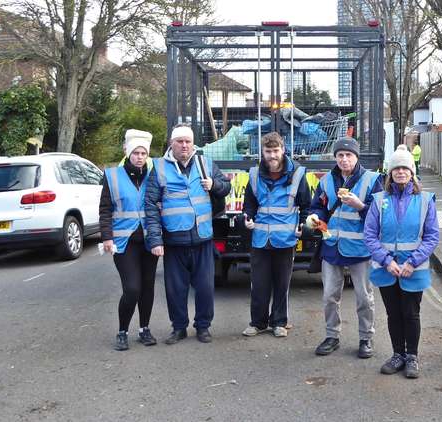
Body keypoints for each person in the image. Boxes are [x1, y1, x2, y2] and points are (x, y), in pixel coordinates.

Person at [144, 125, 230, 344]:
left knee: (205, 288)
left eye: (188, 141)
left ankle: (203, 327)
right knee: (175, 290)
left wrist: (215, 184)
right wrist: (155, 239)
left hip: (202, 238)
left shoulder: (206, 164)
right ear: (171, 143)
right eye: (180, 141)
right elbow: (151, 206)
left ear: (193, 144)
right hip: (174, 240)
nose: (184, 145)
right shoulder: (159, 167)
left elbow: (225, 188)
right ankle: (179, 328)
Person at [364, 144, 439, 378]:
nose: (400, 172)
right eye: (396, 168)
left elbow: (432, 236)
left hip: (412, 269)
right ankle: (398, 354)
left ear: (412, 172)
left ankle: (412, 357)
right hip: (387, 269)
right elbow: (369, 234)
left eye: (405, 168)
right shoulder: (378, 200)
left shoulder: (426, 200)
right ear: (390, 173)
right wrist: (386, 261)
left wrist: (412, 262)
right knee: (393, 314)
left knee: (411, 313)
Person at [307, 137, 382, 358]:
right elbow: (318, 207)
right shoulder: (326, 181)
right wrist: (315, 218)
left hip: (361, 248)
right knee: (330, 296)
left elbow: (380, 216)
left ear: (357, 157)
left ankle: (366, 338)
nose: (344, 159)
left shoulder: (372, 180)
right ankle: (332, 336)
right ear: (335, 157)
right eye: (340, 155)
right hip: (331, 245)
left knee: (364, 297)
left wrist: (360, 206)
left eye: (349, 155)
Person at [241, 132, 311, 338]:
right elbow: (250, 203)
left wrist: (302, 225)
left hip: (286, 238)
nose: (272, 155)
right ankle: (258, 323)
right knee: (259, 285)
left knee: (282, 284)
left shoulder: (297, 175)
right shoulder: (254, 175)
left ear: (283, 150)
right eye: (268, 151)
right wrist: (248, 217)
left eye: (275, 151)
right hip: (260, 238)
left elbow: (306, 204)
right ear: (262, 153)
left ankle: (279, 322)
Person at [101, 129, 158, 351]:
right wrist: (106, 236)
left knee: (148, 287)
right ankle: (122, 331)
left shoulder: (153, 176)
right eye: (136, 153)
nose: (140, 157)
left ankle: (144, 329)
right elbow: (105, 209)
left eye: (144, 153)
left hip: (149, 240)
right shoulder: (112, 175)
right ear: (128, 153)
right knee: (132, 288)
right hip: (123, 242)